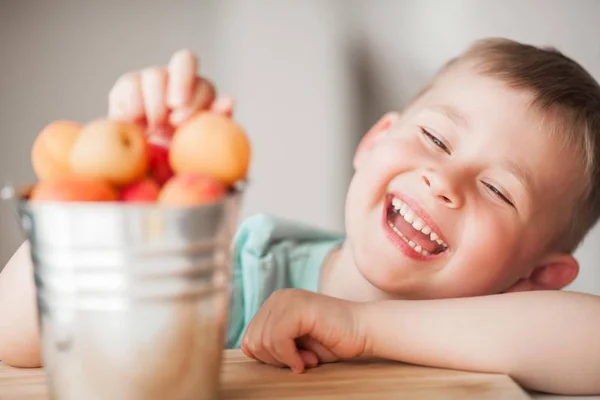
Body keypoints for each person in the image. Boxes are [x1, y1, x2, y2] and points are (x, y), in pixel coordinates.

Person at [1, 37, 599, 395]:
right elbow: (14, 336)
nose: (444, 182)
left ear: (538, 276)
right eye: (436, 141)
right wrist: (132, 177)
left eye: (498, 189)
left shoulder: (514, 331)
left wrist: (362, 328)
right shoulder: (240, 269)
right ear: (373, 141)